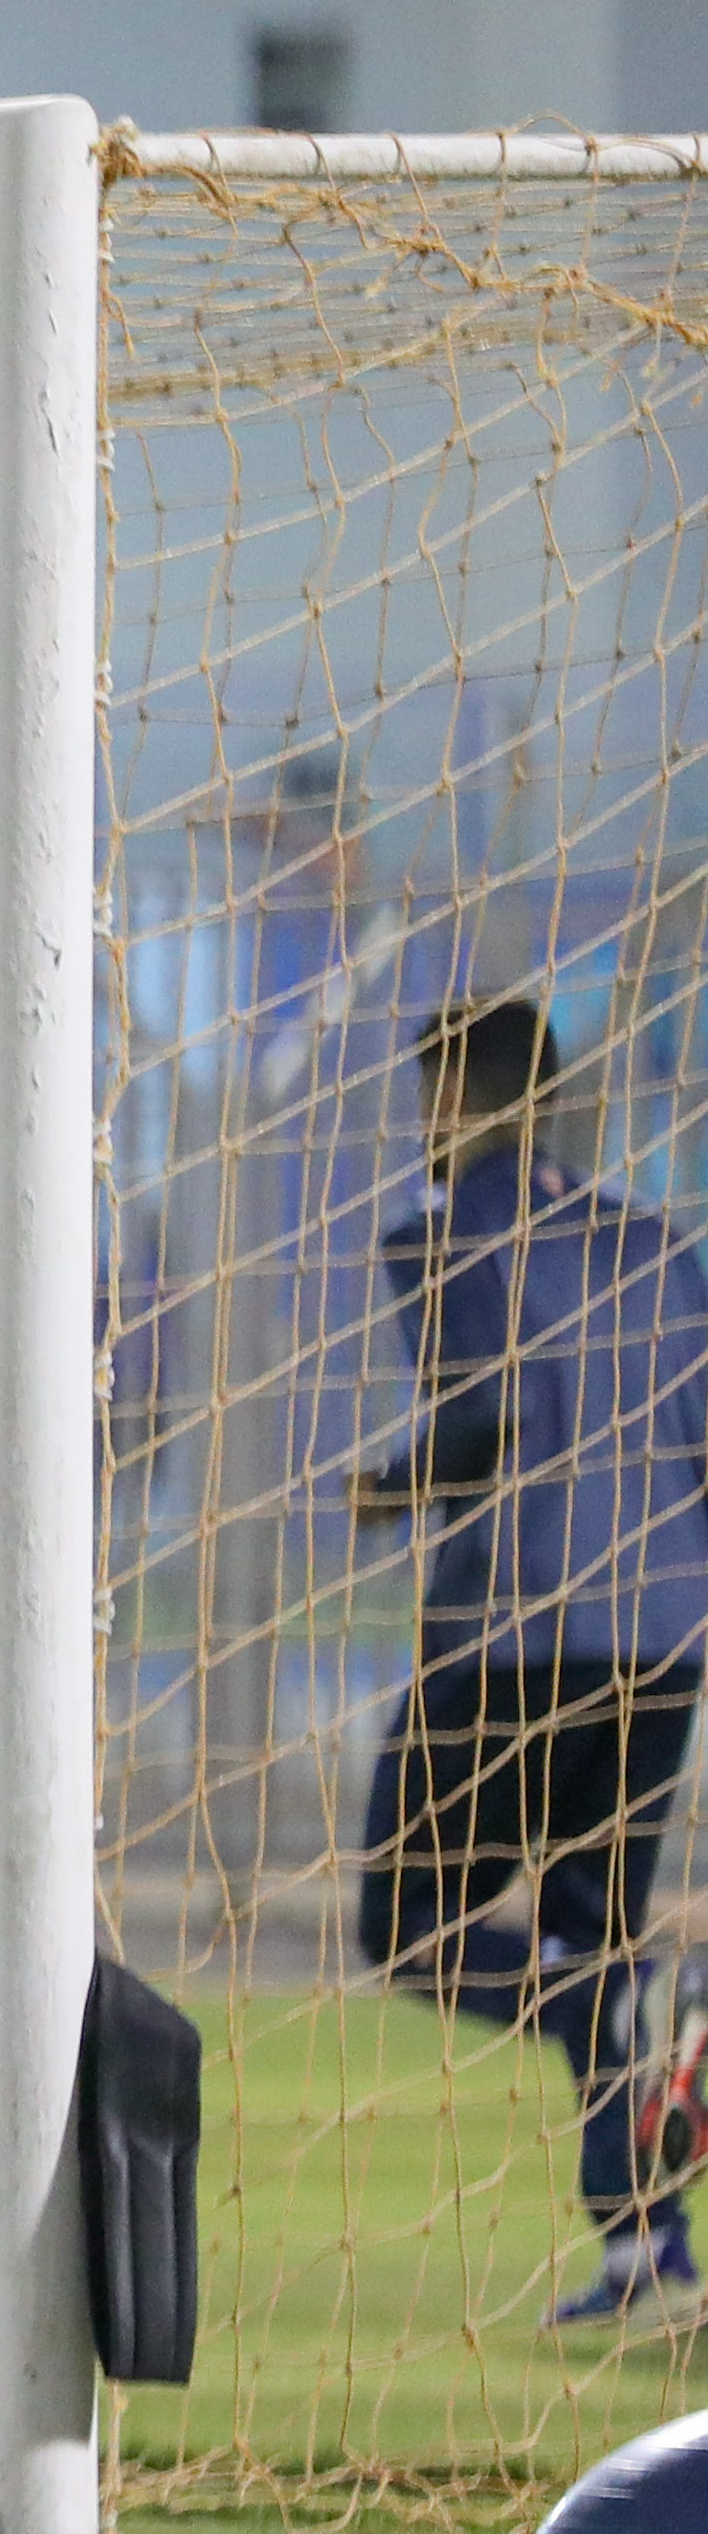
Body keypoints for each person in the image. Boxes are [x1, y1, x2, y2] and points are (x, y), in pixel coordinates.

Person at [347, 991, 708, 2334]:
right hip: (662, 1634)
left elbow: (484, 1419)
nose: (418, 1125)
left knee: (408, 1922)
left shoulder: (448, 1243)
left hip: (515, 1628)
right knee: (594, 1928)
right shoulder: (656, 1242)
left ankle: (609, 2011)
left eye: (425, 1097)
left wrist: (387, 1487)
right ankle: (643, 2256)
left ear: (460, 1102)